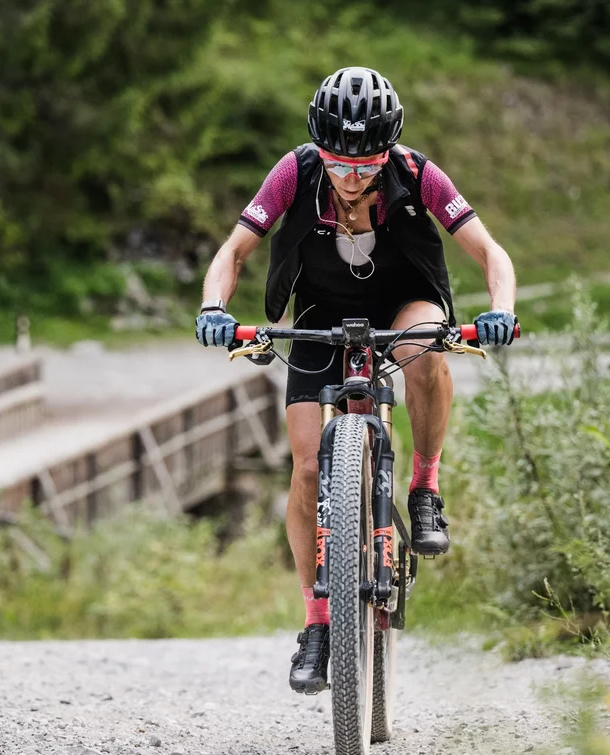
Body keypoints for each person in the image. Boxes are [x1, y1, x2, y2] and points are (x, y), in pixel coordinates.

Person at [194, 66, 517, 694]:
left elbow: (490, 253)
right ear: (318, 149)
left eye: (366, 164)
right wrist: (213, 309)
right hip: (319, 313)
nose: (350, 177)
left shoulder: (419, 174)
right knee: (309, 466)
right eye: (338, 163)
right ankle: (317, 623)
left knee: (425, 350)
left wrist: (500, 311)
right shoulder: (293, 172)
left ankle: (424, 485)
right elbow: (232, 254)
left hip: (407, 303)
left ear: (388, 150)